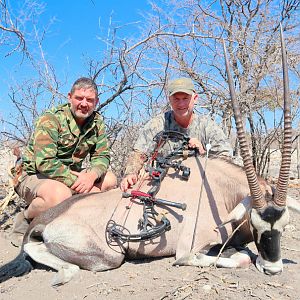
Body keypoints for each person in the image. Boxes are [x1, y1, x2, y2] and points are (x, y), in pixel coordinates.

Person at [10, 77, 117, 244]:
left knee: (110, 180)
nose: (84, 104)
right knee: (60, 194)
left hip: (67, 177)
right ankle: (26, 219)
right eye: (79, 98)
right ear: (69, 97)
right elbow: (45, 162)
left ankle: (69, 217)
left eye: (89, 100)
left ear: (96, 101)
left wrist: (91, 175)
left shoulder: (97, 122)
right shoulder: (51, 119)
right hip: (34, 176)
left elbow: (102, 156)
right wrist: (76, 181)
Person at [120, 77, 233, 192]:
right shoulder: (158, 123)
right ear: (170, 100)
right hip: (163, 183)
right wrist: (131, 173)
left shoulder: (208, 126)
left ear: (195, 98)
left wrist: (203, 153)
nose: (181, 104)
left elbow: (227, 159)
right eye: (176, 99)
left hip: (197, 185)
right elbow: (139, 153)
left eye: (185, 98)